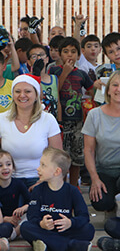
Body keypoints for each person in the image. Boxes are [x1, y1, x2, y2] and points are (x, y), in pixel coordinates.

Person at [0, 74, 62, 188]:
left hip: (40, 179)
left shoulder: (48, 119)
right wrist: (1, 178)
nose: (22, 95)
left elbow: (58, 156)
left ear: (36, 95)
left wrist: (44, 181)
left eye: (27, 91)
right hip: (8, 180)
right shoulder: (0, 119)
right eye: (17, 91)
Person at [20, 147, 95, 251]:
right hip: (45, 230)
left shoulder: (72, 191)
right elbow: (32, 216)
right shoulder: (38, 190)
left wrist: (70, 223)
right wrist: (41, 223)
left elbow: (84, 216)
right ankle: (70, 245)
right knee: (25, 227)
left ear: (57, 171)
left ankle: (49, 245)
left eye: (43, 165)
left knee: (88, 229)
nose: (38, 169)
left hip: (65, 231)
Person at [49, 37, 94, 186]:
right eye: (66, 51)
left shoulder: (81, 74)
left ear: (79, 55)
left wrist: (99, 85)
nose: (69, 55)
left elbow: (92, 90)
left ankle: (74, 186)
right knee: (61, 155)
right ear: (60, 54)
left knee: (77, 156)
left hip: (78, 120)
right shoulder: (54, 70)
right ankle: (61, 185)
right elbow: (54, 91)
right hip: (60, 121)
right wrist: (65, 73)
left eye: (73, 52)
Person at [82, 71, 120, 214]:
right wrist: (94, 178)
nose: (119, 89)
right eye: (115, 85)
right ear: (108, 90)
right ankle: (110, 207)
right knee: (100, 201)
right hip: (104, 170)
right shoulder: (94, 114)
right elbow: (89, 150)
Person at [0, 150, 30, 240]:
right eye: (0, 165)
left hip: (16, 219)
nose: (5, 168)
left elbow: (31, 202)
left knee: (31, 216)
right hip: (1, 220)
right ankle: (11, 234)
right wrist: (4, 219)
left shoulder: (18, 184)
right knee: (1, 226)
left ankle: (14, 233)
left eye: (8, 164)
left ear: (13, 167)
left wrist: (23, 208)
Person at [27, 44, 61, 120]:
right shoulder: (27, 79)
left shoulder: (54, 78)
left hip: (52, 121)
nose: (39, 58)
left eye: (41, 55)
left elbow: (58, 102)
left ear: (47, 59)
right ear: (29, 62)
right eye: (34, 56)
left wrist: (59, 121)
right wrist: (36, 74)